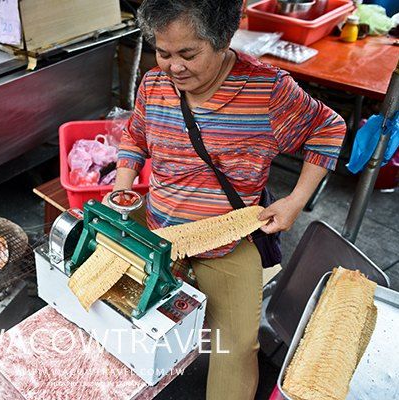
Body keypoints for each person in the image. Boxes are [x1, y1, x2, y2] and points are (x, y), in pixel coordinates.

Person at [105, 0, 346, 399]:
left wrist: (295, 200)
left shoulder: (268, 91)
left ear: (222, 41)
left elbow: (328, 129)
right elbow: (135, 136)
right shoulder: (154, 84)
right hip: (157, 233)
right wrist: (124, 183)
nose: (174, 67)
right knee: (128, 324)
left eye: (188, 54)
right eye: (163, 53)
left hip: (227, 243)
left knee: (234, 349)